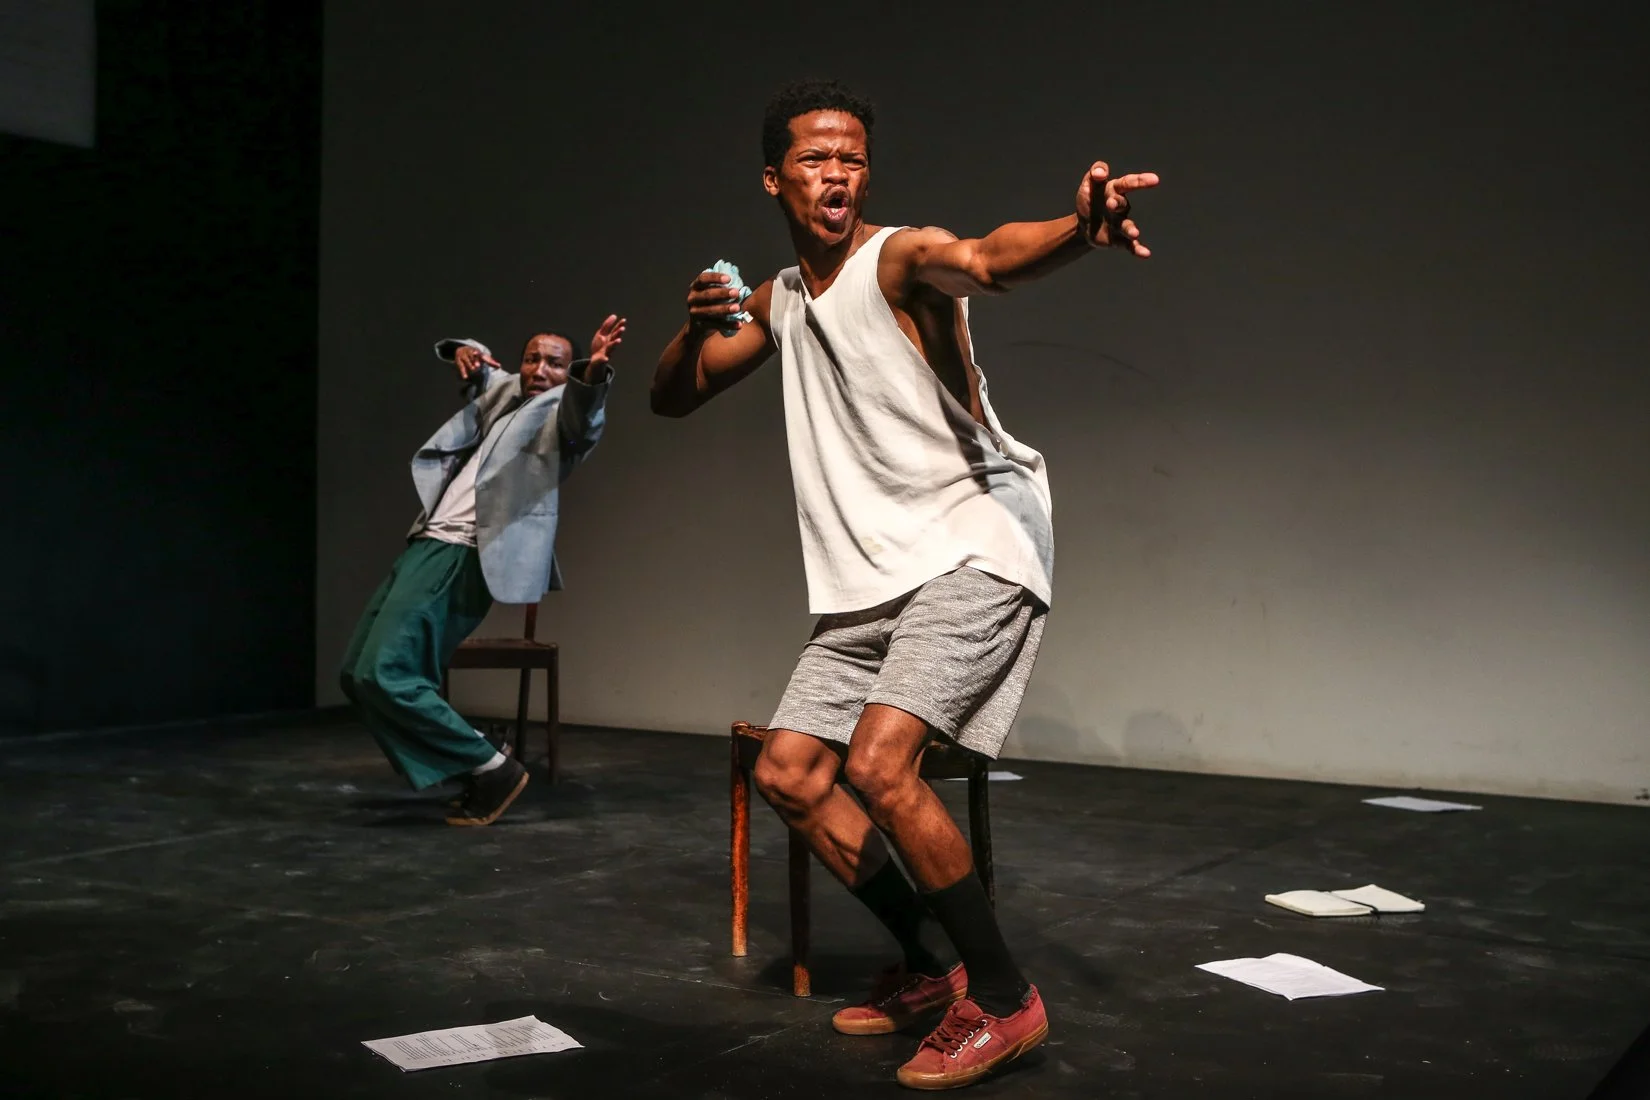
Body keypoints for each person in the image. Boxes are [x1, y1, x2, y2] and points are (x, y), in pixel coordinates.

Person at [651, 80, 1157, 1090]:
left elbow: (985, 259)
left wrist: (1080, 231)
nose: (836, 174)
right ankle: (933, 965)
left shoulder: (897, 258)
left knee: (882, 765)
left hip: (975, 545)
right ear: (775, 179)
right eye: (813, 159)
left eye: (851, 158)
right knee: (792, 773)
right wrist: (692, 326)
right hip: (871, 580)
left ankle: (1004, 999)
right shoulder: (779, 300)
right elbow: (674, 397)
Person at [341, 317, 624, 826]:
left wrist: (592, 375)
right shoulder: (506, 396)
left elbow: (584, 416)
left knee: (389, 673)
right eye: (532, 359)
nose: (540, 370)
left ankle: (490, 767)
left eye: (556, 364)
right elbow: (484, 366)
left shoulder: (562, 416)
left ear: (569, 373)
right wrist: (466, 352)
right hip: (426, 541)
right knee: (358, 674)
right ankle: (475, 766)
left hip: (463, 551)